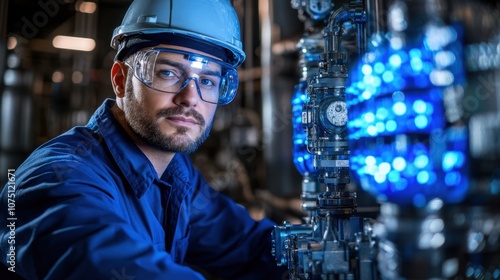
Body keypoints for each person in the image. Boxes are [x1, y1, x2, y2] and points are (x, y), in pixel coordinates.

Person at [0, 0, 287, 279]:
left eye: (208, 81)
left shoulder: (176, 173)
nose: (190, 98)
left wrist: (315, 254)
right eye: (168, 73)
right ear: (121, 79)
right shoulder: (58, 178)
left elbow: (247, 246)